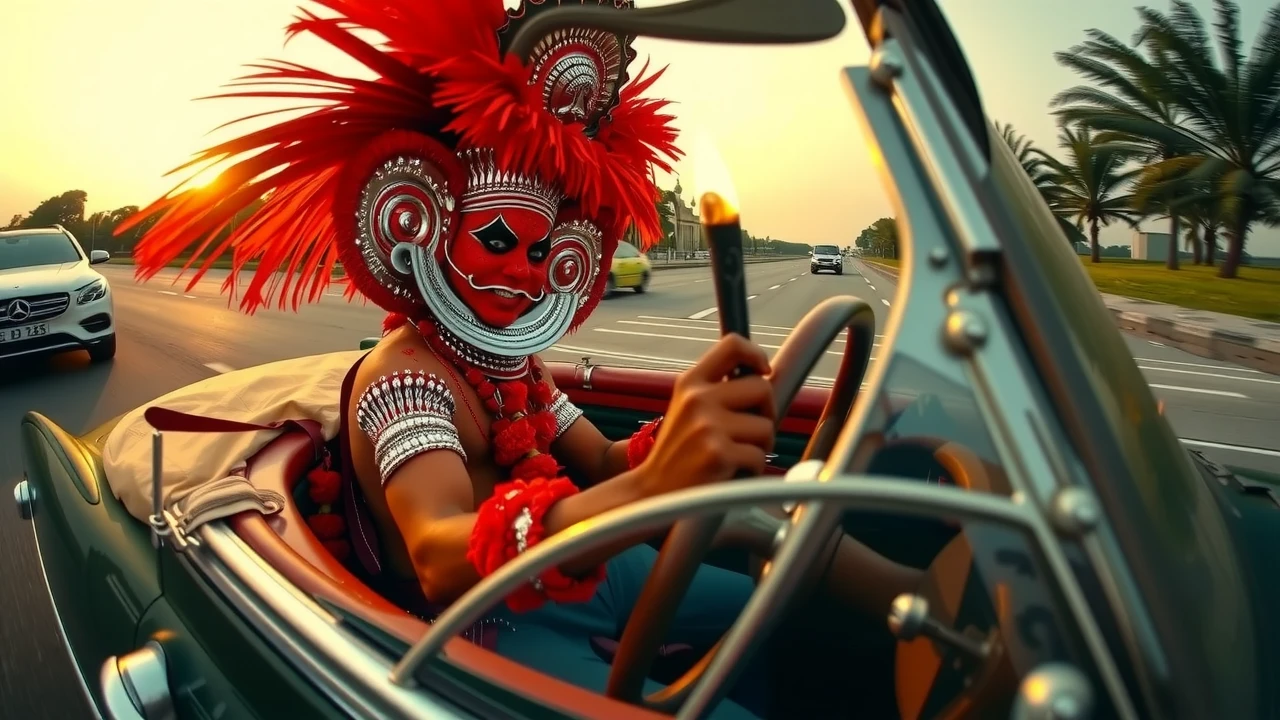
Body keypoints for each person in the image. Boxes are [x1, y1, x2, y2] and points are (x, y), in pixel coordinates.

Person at [123, 1, 920, 716]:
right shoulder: (406, 381)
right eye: (498, 241)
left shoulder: (512, 366)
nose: (526, 272)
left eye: (542, 250)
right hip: (485, 627)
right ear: (425, 227)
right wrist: (653, 483)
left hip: (587, 577)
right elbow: (439, 551)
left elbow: (601, 458)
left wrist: (678, 436)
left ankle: (934, 602)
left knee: (779, 574)